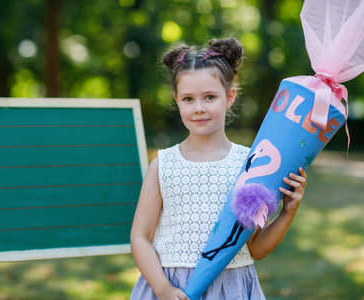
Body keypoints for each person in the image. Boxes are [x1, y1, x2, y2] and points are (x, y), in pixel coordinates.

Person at [130, 37, 307, 300]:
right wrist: (163, 288)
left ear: (230, 97)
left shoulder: (251, 165)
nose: (199, 108)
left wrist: (286, 215)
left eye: (210, 97)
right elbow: (140, 237)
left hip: (231, 289)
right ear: (176, 100)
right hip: (171, 287)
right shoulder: (163, 165)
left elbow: (255, 248)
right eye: (188, 99)